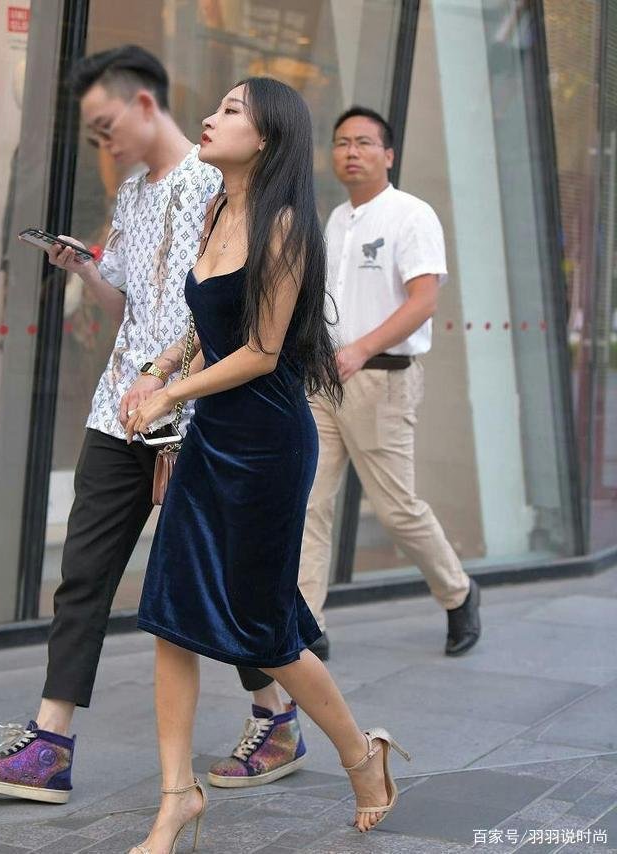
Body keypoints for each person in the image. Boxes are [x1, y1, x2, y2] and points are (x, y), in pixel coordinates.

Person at [123, 77, 410, 853]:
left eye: (229, 112)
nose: (210, 119)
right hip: (213, 437)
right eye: (215, 108)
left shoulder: (285, 227)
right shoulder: (220, 208)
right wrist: (157, 368)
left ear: (268, 138)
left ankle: (362, 755)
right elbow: (208, 320)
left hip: (267, 449)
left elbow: (261, 351)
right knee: (170, 616)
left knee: (265, 632)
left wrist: (165, 396)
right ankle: (176, 797)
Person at [206, 105, 482, 790]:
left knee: (396, 508)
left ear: (388, 154)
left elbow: (423, 301)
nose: (351, 152)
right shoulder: (333, 219)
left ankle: (458, 593)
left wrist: (360, 347)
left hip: (382, 381)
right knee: (311, 507)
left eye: (364, 143)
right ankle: (309, 628)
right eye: (341, 144)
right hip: (323, 381)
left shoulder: (411, 215)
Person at [0, 45, 220, 804]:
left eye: (106, 125)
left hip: (190, 414)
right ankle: (51, 743)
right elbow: (131, 310)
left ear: (145, 104)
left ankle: (279, 711)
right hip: (118, 412)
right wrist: (84, 266)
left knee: (215, 582)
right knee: (82, 575)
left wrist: (182, 404)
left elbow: (227, 313)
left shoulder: (216, 186)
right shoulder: (136, 193)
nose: (103, 143)